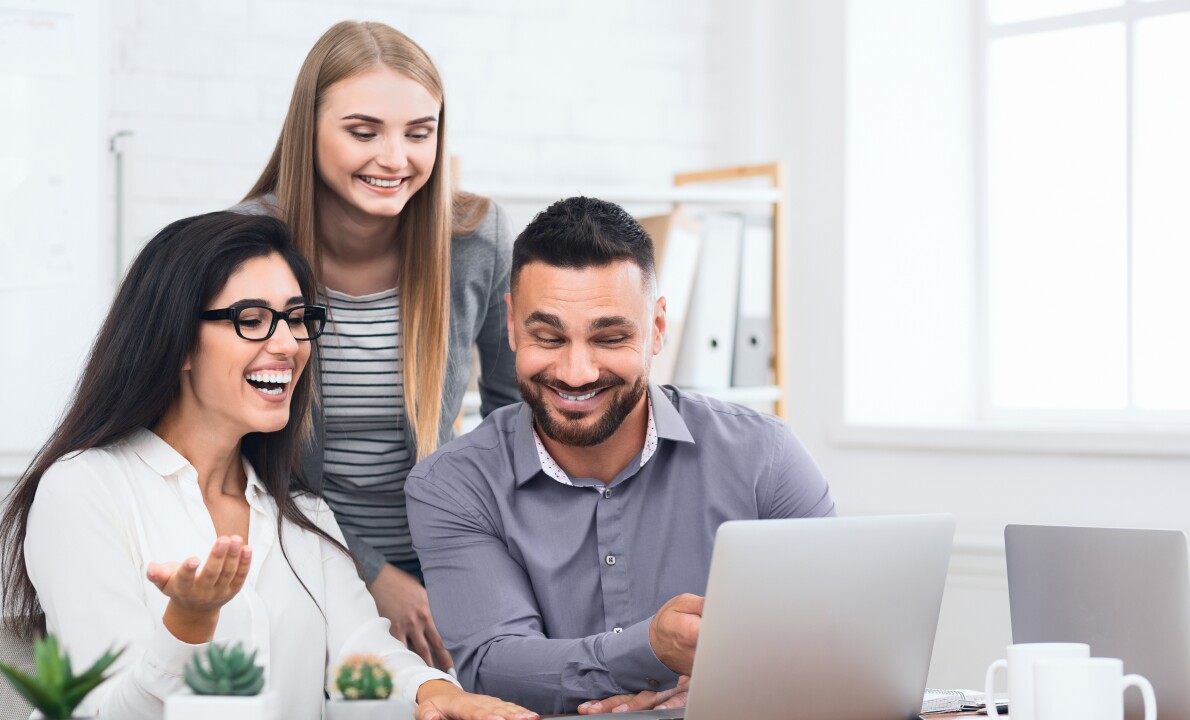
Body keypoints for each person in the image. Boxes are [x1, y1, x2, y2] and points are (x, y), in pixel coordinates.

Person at [0, 213, 535, 720]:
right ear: (178, 342)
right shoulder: (84, 489)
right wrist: (186, 625)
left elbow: (362, 650)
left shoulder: (303, 514)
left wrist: (442, 692)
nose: (288, 344)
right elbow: (106, 712)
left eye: (298, 319)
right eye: (251, 320)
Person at [404, 197, 837, 714]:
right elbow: (495, 665)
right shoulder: (452, 485)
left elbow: (838, 632)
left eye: (610, 337)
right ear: (513, 325)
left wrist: (730, 685)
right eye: (548, 336)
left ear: (656, 328)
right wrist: (651, 650)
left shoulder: (765, 456)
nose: (577, 371)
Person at [234, 20, 520, 671]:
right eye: (364, 132)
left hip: (445, 548)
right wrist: (369, 571)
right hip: (298, 548)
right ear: (310, 129)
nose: (396, 158)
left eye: (420, 133)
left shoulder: (478, 237)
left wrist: (478, 560)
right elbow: (238, 450)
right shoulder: (247, 243)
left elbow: (513, 418)